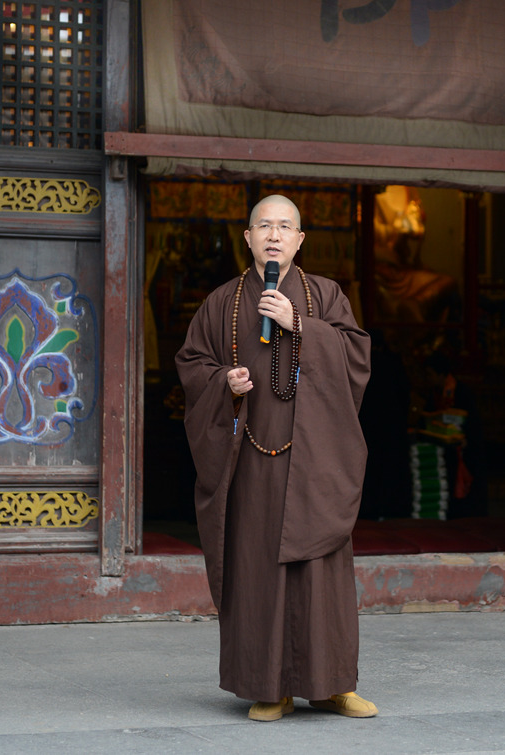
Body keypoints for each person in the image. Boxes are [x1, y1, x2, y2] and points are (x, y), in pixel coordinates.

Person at [175, 194, 377, 722]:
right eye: (264, 225)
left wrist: (301, 324)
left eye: (285, 226)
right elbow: (192, 364)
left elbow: (357, 357)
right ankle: (270, 687)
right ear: (247, 237)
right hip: (254, 460)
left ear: (299, 240)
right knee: (258, 569)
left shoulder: (325, 295)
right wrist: (224, 382)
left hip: (316, 458)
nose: (274, 235)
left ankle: (333, 685)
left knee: (322, 572)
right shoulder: (221, 302)